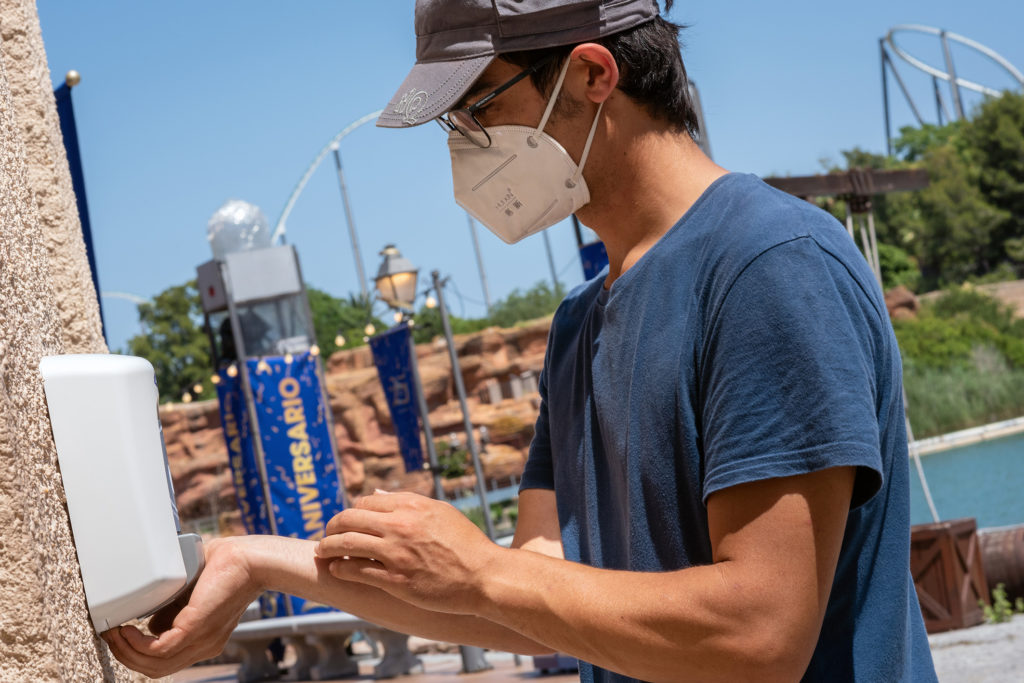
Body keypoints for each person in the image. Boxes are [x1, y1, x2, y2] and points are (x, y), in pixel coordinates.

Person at [105, 1, 938, 681]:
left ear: (591, 74)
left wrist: (482, 570)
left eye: (478, 110)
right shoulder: (583, 321)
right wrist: (254, 560)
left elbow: (760, 636)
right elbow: (526, 600)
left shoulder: (769, 266)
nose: (463, 147)